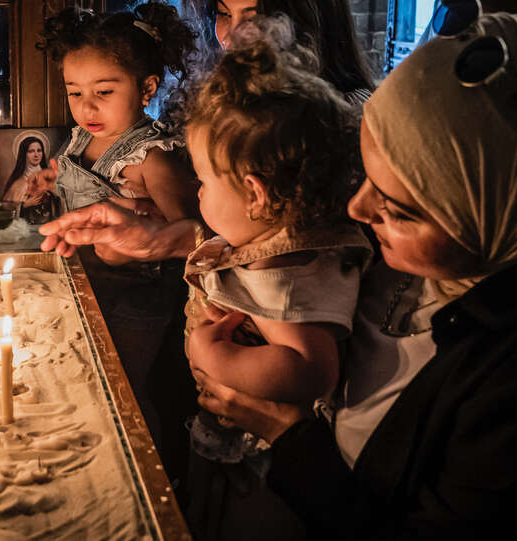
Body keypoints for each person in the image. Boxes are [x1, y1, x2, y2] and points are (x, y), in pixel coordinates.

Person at [186, 13, 517, 537]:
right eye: (367, 177)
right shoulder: (482, 241)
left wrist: (288, 434)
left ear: (499, 212)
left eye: (401, 209)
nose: (359, 209)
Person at [177, 18, 372, 538]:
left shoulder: (283, 268)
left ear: (255, 193)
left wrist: (212, 355)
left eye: (202, 180)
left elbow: (311, 367)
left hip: (268, 462)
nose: (197, 195)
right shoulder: (273, 240)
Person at [37, 1, 201, 477]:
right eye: (74, 93)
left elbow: (194, 234)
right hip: (86, 286)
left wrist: (144, 217)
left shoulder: (151, 158)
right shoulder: (82, 137)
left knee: (126, 388)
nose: (87, 107)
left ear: (146, 87)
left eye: (104, 92)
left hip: (137, 299)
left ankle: (143, 472)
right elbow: (72, 177)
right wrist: (50, 180)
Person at [198, 0, 375, 103]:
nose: (231, 37)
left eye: (254, 17)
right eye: (224, 14)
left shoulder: (348, 116)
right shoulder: (228, 103)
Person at [1, 135, 59, 223]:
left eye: (39, 150)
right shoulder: (18, 185)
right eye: (31, 151)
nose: (36, 155)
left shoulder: (50, 179)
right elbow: (6, 209)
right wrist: (25, 205)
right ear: (24, 154)